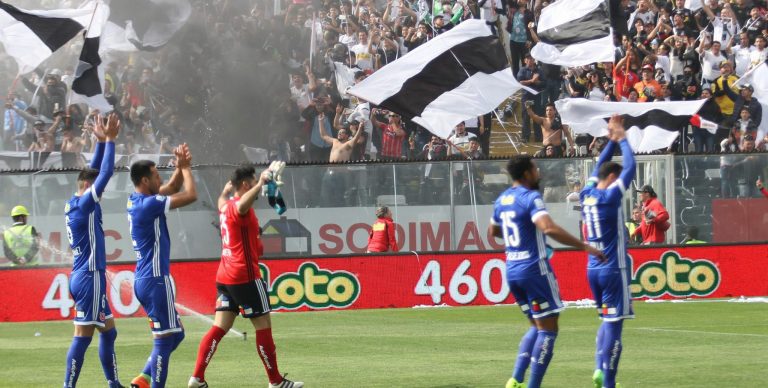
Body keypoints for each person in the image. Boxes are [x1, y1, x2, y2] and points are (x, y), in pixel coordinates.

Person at [490, 156, 604, 388]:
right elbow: (549, 228)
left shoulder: (502, 199)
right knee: (549, 329)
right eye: (534, 168)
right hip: (534, 270)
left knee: (536, 325)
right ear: (526, 174)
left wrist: (520, 237)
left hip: (512, 269)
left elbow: (493, 231)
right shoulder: (531, 197)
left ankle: (516, 379)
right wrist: (584, 245)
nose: (538, 171)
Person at [188, 166, 303, 388]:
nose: (257, 187)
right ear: (245, 185)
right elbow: (241, 205)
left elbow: (224, 200)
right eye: (253, 182)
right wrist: (261, 183)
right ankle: (276, 381)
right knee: (263, 325)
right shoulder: (238, 207)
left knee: (219, 326)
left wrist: (225, 190)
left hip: (225, 276)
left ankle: (197, 377)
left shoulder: (224, 206)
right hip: (245, 276)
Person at [62, 113, 124, 388]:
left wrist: (99, 143)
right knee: (83, 335)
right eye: (94, 186)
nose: (99, 188)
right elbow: (106, 173)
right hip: (89, 277)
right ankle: (68, 386)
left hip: (84, 275)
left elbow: (95, 173)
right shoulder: (86, 203)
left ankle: (113, 383)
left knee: (108, 333)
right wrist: (111, 141)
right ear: (88, 188)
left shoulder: (74, 202)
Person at [128, 144, 197, 388]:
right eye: (157, 175)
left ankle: (143, 379)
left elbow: (173, 187)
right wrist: (187, 169)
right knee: (163, 340)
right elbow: (190, 195)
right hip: (156, 280)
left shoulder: (137, 199)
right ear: (146, 180)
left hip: (145, 280)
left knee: (176, 335)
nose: (161, 178)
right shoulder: (150, 204)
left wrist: (179, 167)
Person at [579, 115, 636, 388]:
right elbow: (631, 167)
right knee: (615, 324)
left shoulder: (586, 194)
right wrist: (622, 138)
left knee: (604, 318)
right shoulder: (611, 196)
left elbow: (599, 166)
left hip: (593, 269)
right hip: (614, 268)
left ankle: (598, 367)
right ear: (612, 178)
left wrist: (609, 142)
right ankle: (607, 377)